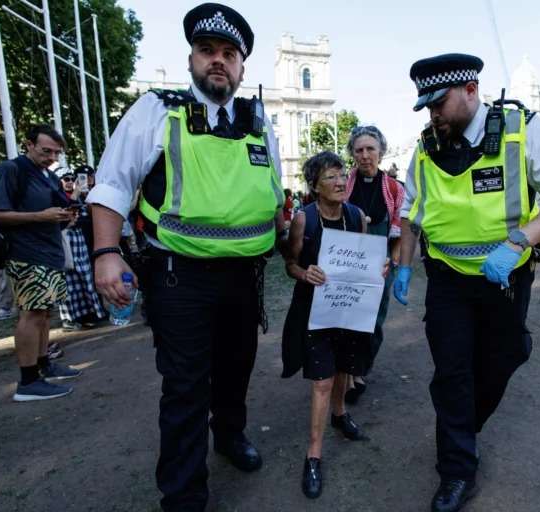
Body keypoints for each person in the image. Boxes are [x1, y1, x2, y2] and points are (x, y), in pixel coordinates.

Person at [86, 4, 285, 511]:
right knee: (185, 387)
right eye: (207, 52)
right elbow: (112, 185)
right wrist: (107, 253)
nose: (218, 61)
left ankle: (231, 434)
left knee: (237, 367)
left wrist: (291, 229)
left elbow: (272, 197)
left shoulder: (260, 124)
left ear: (242, 67)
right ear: (192, 59)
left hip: (245, 277)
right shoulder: (157, 109)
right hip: (180, 278)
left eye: (229, 54)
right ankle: (183, 495)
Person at [393, 54, 540, 512]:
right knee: (452, 371)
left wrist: (520, 240)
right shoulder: (426, 147)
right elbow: (409, 213)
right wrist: (405, 265)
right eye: (425, 106)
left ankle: (462, 425)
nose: (432, 114)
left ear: (470, 90)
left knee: (505, 355)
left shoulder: (521, 129)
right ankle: (457, 468)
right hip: (445, 280)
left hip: (504, 277)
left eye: (438, 103)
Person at [281, 151, 372, 499]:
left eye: (341, 175)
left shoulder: (356, 217)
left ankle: (340, 413)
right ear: (315, 186)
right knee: (322, 378)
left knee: (344, 367)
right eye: (330, 177)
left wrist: (374, 269)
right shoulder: (304, 220)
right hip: (314, 309)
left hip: (347, 306)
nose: (339, 183)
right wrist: (306, 273)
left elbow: (363, 260)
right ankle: (314, 454)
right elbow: (290, 263)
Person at [0, 124, 82, 401]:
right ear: (28, 144)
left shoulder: (47, 175)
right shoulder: (10, 170)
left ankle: (43, 366)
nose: (51, 156)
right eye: (46, 150)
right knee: (32, 313)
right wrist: (41, 217)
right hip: (25, 255)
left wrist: (65, 216)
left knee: (44, 312)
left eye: (56, 153)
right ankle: (27, 382)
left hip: (50, 253)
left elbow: (53, 209)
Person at [343, 125, 404, 403]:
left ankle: (360, 370)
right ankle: (347, 374)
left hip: (381, 265)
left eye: (370, 149)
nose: (365, 155)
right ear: (352, 154)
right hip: (346, 263)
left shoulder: (394, 188)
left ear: (381, 152)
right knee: (346, 320)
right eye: (359, 150)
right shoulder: (343, 184)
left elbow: (401, 232)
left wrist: (395, 265)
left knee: (373, 322)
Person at [57, 168, 106, 331]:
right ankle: (70, 318)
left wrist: (86, 195)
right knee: (68, 281)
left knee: (85, 278)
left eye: (72, 178)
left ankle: (91, 313)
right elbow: (63, 211)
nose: (70, 181)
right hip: (65, 240)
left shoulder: (83, 194)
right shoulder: (57, 195)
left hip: (81, 240)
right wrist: (76, 194)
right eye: (66, 179)